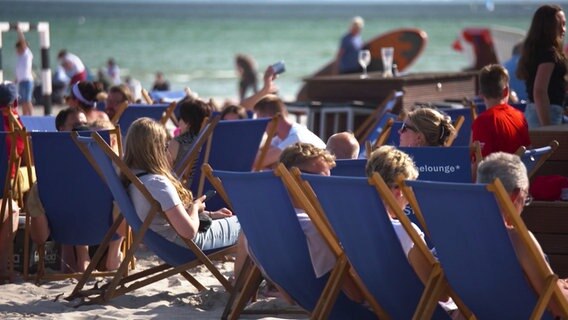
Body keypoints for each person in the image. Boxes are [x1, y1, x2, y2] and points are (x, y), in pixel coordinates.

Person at [122, 118, 243, 272]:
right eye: (165, 146)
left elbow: (167, 217)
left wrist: (211, 215)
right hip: (186, 246)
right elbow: (189, 232)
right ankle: (243, 282)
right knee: (249, 226)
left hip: (167, 244)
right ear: (155, 149)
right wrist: (195, 206)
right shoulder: (158, 184)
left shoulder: (133, 178)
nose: (168, 151)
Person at [366, 145, 457, 313]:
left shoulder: (355, 225)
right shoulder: (406, 232)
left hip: (380, 307)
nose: (410, 197)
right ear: (399, 190)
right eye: (411, 188)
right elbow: (441, 294)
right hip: (419, 311)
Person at [476, 152, 568, 317]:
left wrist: (557, 286)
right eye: (526, 198)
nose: (524, 206)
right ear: (515, 196)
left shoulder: (463, 235)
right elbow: (559, 306)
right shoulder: (516, 240)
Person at [279, 142, 365, 301]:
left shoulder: (267, 216)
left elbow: (288, 298)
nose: (325, 186)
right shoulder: (314, 228)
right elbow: (357, 297)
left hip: (298, 293)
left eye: (328, 179)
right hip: (330, 299)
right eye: (318, 179)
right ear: (291, 177)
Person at [517, 4, 567, 128]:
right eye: (560, 24)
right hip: (545, 114)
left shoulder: (536, 51)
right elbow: (539, 91)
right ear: (549, 27)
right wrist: (547, 128)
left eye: (564, 24)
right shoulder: (549, 54)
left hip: (536, 112)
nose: (564, 29)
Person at [253, 94, 325, 169]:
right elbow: (256, 158)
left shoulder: (296, 137)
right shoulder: (280, 137)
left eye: (260, 121)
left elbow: (256, 163)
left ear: (271, 118)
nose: (261, 127)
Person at [473, 64, 531, 157]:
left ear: (481, 93)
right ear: (506, 91)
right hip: (520, 170)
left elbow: (478, 167)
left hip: (496, 171)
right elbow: (528, 150)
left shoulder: (482, 122)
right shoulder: (520, 116)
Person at [0, 83, 24, 278]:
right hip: (5, 189)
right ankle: (4, 267)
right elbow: (21, 153)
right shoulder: (12, 124)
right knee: (12, 208)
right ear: (15, 102)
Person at [167, 98, 211, 171]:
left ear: (188, 122)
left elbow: (164, 171)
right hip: (210, 181)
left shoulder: (177, 143)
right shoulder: (210, 142)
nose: (178, 123)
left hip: (182, 182)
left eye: (180, 118)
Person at [15, 26, 34, 115]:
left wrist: (20, 32)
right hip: (22, 81)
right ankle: (25, 116)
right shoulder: (21, 57)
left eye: (18, 49)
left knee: (27, 99)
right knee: (23, 100)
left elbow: (23, 41)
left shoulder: (27, 54)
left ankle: (31, 116)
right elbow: (20, 70)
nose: (16, 51)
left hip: (27, 81)